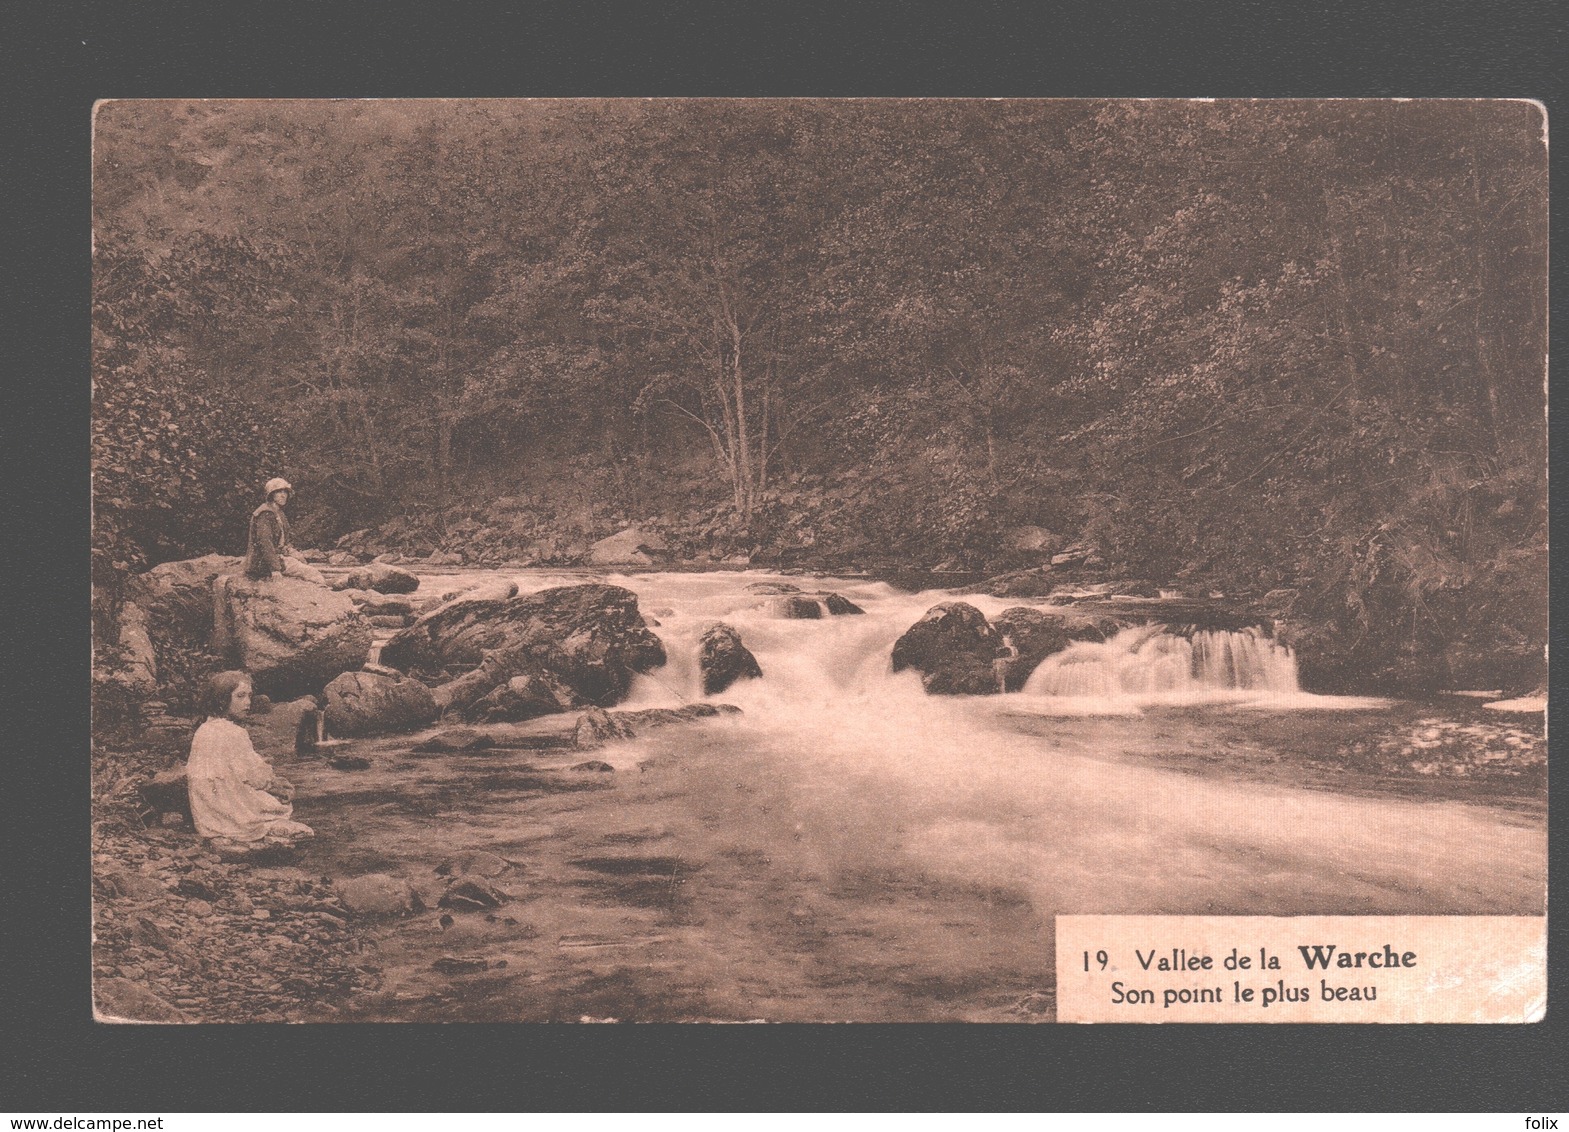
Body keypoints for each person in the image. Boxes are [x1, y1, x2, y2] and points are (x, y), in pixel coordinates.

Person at [185, 670, 315, 850]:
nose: (248, 703)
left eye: (249, 696)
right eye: (240, 696)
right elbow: (255, 776)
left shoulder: (203, 730)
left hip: (207, 813)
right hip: (232, 811)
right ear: (222, 699)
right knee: (282, 803)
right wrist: (276, 786)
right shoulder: (236, 733)